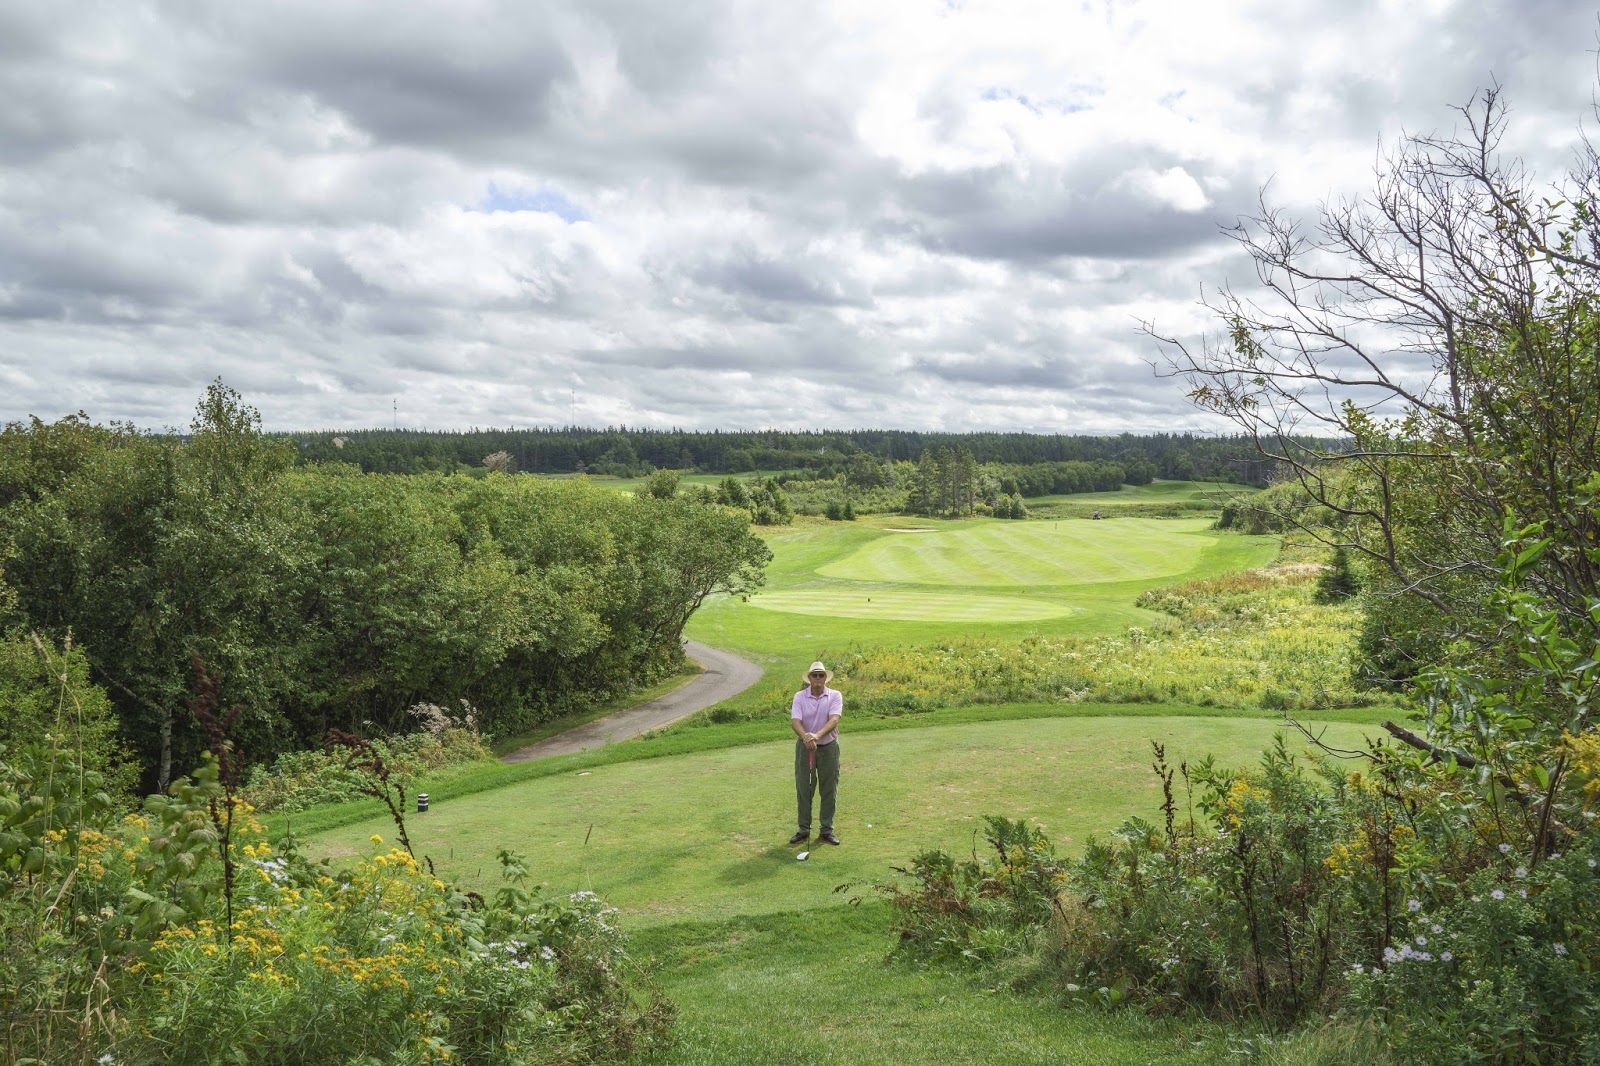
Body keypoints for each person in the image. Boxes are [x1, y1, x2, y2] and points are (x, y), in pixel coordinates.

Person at [790, 661, 842, 846]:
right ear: (809, 678)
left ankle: (826, 831)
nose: (818, 678)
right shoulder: (800, 696)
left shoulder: (835, 695)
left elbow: (834, 720)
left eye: (821, 675)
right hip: (805, 749)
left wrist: (816, 736)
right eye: (815, 675)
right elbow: (795, 722)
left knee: (829, 789)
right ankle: (804, 830)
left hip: (828, 748)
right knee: (804, 789)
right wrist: (807, 738)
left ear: (825, 678)